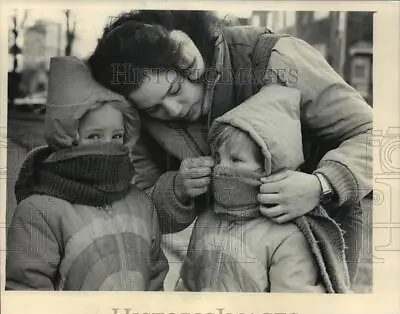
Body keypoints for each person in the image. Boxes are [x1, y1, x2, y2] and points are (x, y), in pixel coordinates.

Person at [87, 10, 373, 287]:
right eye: (154, 108)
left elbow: (377, 133)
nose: (174, 110)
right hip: (227, 248)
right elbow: (140, 205)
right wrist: (175, 190)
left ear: (188, 56)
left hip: (316, 230)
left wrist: (320, 184)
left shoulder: (275, 58)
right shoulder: (139, 120)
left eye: (174, 90)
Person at [6, 56, 169, 291]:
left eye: (117, 136)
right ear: (67, 138)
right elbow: (28, 293)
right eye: (95, 136)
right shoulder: (39, 212)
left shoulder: (141, 203)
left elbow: (155, 280)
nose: (108, 146)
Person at [178, 84, 348, 293]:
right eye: (217, 157)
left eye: (236, 159)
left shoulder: (288, 236)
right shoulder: (206, 220)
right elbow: (187, 285)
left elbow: (292, 308)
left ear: (269, 168)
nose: (221, 167)